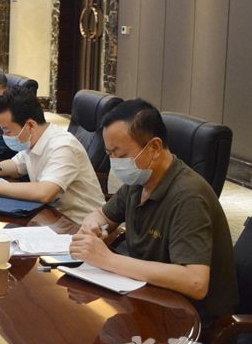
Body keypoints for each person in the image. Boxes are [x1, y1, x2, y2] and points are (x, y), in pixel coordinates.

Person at [70, 99, 238, 325]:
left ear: (155, 148)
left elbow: (195, 282)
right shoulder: (140, 180)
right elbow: (101, 215)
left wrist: (107, 259)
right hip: (148, 297)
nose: (114, 163)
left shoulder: (189, 197)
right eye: (109, 153)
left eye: (120, 154)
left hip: (191, 319)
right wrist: (93, 228)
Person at [0, 86, 102, 225]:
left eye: (8, 131)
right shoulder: (33, 140)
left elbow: (44, 192)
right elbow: (17, 165)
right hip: (49, 217)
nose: (5, 136)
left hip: (79, 225)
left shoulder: (63, 146)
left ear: (30, 125)